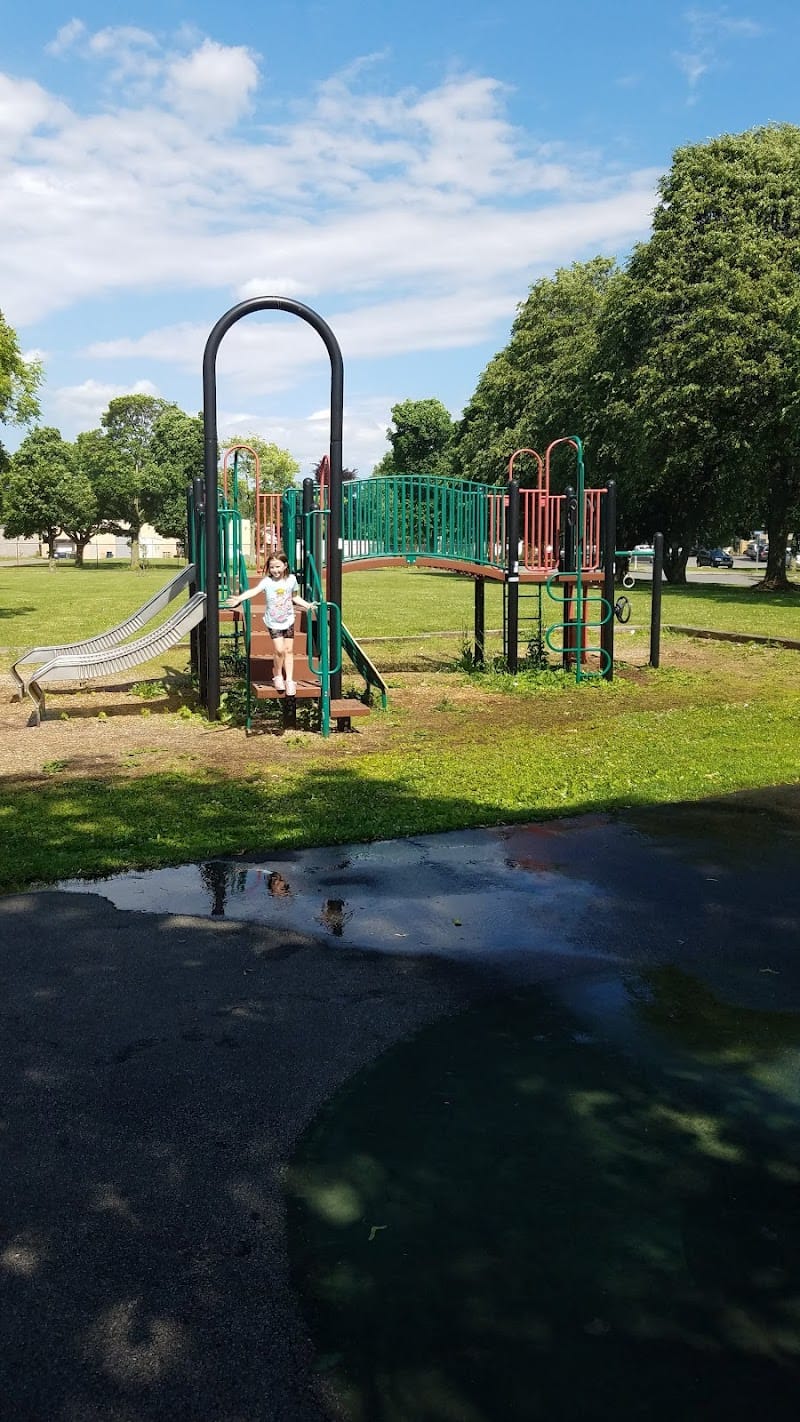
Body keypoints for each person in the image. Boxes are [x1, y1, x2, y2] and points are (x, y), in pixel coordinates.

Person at [225, 550, 316, 696]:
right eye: (272, 567)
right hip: (273, 621)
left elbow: (295, 597)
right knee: (279, 650)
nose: (275, 570)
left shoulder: (291, 579)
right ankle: (278, 675)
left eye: (278, 567)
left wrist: (308, 605)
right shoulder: (268, 581)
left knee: (289, 650)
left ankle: (290, 680)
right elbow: (254, 591)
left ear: (285, 565)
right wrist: (239, 598)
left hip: (288, 619)